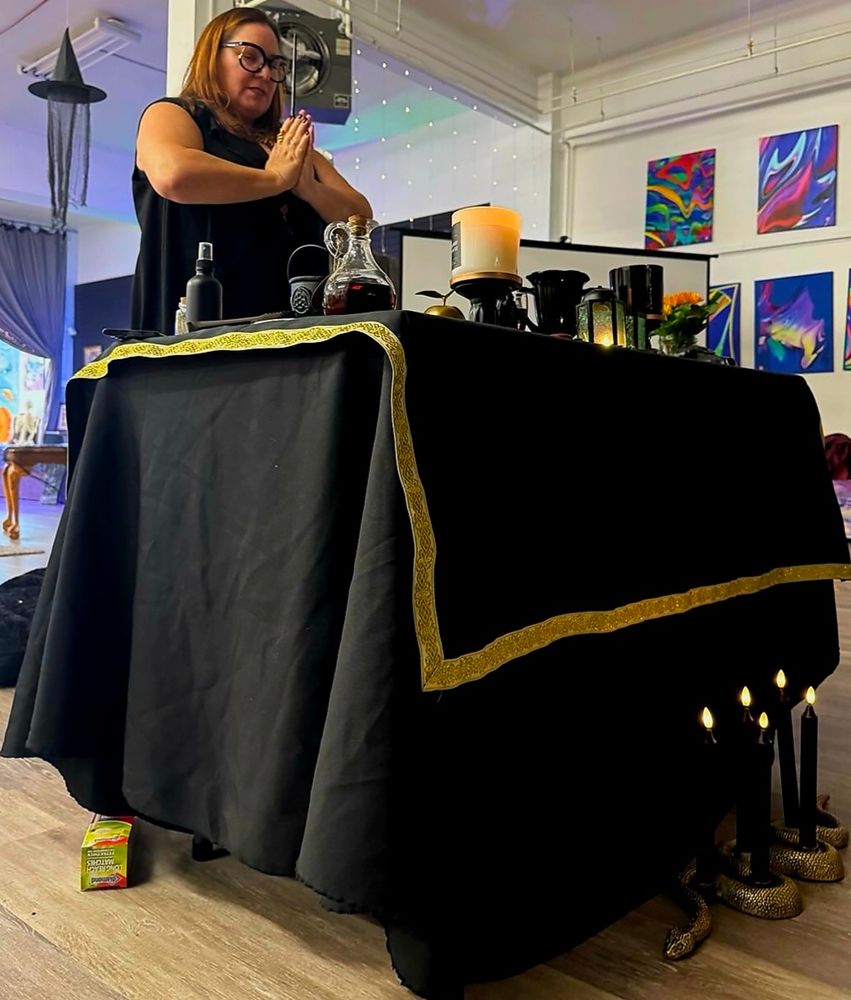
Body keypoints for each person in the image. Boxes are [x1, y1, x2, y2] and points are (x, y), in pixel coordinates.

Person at [131, 7, 371, 334]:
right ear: (212, 58)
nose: (265, 73)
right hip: (198, 340)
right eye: (251, 57)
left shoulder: (288, 147)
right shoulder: (174, 114)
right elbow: (174, 175)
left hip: (290, 340)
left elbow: (360, 218)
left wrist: (310, 190)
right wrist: (275, 179)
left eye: (275, 64)